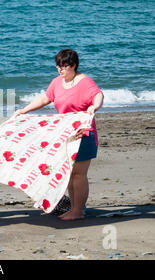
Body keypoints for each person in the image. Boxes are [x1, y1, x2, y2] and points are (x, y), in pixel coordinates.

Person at [14, 49, 104, 221]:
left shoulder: (84, 82)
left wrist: (95, 106)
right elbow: (45, 99)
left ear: (74, 65)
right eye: (58, 66)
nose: (60, 70)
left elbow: (98, 95)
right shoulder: (57, 82)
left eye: (64, 66)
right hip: (65, 135)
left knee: (79, 174)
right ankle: (76, 208)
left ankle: (77, 211)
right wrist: (24, 110)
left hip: (84, 134)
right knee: (70, 174)